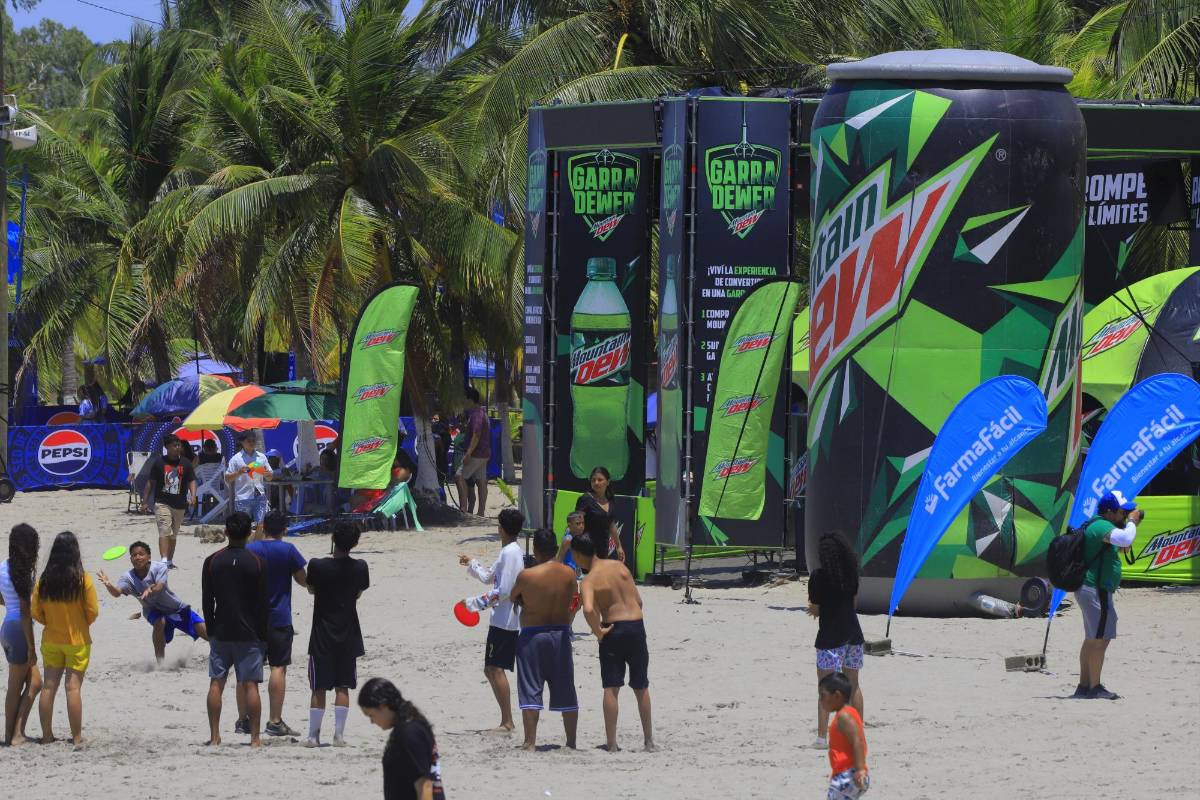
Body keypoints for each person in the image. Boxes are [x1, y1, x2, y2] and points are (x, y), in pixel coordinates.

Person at [571, 528, 655, 752]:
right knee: (641, 686)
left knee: (611, 688)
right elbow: (639, 600)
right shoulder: (620, 567)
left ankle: (612, 743)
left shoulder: (588, 580)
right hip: (636, 626)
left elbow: (588, 609)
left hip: (613, 629)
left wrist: (597, 631)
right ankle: (648, 741)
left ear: (579, 555)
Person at [201, 512, 269, 747]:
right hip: (249, 632)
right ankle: (255, 738)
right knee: (251, 684)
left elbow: (207, 601)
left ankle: (215, 736)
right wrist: (263, 634)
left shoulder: (212, 561)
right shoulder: (257, 562)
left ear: (227, 533)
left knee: (216, 683)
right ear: (249, 532)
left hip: (221, 629)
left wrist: (210, 630)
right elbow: (263, 604)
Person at [509, 529, 579, 751]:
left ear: (536, 550)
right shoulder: (568, 574)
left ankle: (530, 742)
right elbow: (573, 599)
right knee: (566, 688)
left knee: (530, 688)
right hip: (560, 633)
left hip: (533, 635)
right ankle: (571, 742)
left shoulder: (527, 576)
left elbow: (513, 596)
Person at [458, 507, 524, 733]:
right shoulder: (509, 551)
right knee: (490, 669)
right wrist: (472, 563)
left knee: (496, 669)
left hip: (505, 620)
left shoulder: (510, 553)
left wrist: (474, 604)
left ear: (501, 528)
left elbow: (503, 590)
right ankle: (506, 720)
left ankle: (507, 721)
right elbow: (490, 577)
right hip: (501, 619)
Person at [305, 522, 370, 748]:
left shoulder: (317, 565)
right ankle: (339, 735)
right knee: (343, 686)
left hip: (322, 633)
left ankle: (313, 736)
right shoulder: (360, 567)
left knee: (318, 686)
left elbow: (310, 588)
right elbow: (359, 593)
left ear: (333, 539)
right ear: (355, 543)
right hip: (348, 632)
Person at [31, 532, 99, 746]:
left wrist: (50, 622)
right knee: (73, 688)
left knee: (49, 686)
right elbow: (93, 611)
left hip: (51, 638)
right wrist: (81, 623)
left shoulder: (44, 581)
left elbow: (35, 611)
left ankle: (46, 735)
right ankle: (77, 737)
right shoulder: (83, 579)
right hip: (77, 640)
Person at [1074, 490, 1142, 700]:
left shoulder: (1099, 525)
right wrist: (1132, 522)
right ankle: (1094, 687)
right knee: (1100, 639)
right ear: (1111, 512)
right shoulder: (1102, 525)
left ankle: (1084, 686)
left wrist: (1127, 525)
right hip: (1096, 590)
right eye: (1123, 511)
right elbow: (1125, 539)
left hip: (1091, 589)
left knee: (1092, 638)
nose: (1125, 515)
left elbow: (1121, 545)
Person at [96, 541, 208, 664]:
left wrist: (150, 589)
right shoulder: (127, 577)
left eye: (141, 554)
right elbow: (117, 593)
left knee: (203, 629)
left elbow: (160, 586)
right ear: (131, 559)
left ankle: (222, 652)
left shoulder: (159, 567)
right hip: (152, 610)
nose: (137, 557)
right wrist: (109, 585)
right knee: (160, 621)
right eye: (134, 555)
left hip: (175, 607)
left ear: (149, 556)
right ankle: (160, 663)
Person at [247, 511, 307, 737]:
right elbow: (302, 579)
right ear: (285, 529)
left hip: (252, 618)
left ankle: (245, 719)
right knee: (278, 667)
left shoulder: (251, 550)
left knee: (250, 671)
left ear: (263, 527)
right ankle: (274, 720)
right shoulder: (288, 550)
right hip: (279, 617)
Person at [807, 531, 865, 748]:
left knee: (826, 688)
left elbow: (816, 609)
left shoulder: (819, 577)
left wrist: (813, 610)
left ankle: (822, 738)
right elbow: (854, 604)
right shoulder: (851, 575)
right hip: (853, 634)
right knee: (854, 685)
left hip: (830, 638)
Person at [358, 678, 445, 800]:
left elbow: (425, 786)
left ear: (383, 706)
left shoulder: (410, 733)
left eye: (371, 715)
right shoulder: (409, 724)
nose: (372, 721)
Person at [1, 523, 41, 745]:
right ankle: (12, 736)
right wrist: (32, 648)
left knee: (35, 682)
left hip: (7, 627)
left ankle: (15, 732)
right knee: (16, 685)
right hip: (19, 630)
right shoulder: (22, 572)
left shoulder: (2, 567)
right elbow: (26, 613)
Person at [143, 434, 197, 568]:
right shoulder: (159, 462)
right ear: (167, 447)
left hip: (180, 504)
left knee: (173, 535)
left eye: (179, 445)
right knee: (164, 530)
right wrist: (144, 501)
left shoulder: (185, 463)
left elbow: (192, 480)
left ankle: (170, 560)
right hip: (162, 502)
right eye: (174, 445)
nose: (177, 447)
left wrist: (193, 495)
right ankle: (163, 560)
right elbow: (150, 482)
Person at [820, 671, 870, 799]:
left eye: (823, 696)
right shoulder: (849, 713)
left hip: (848, 774)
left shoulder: (844, 716)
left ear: (837, 696)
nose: (821, 700)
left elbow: (857, 742)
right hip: (849, 772)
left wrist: (860, 770)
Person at [225, 431, 272, 540]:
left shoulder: (262, 457)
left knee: (262, 524)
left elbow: (270, 476)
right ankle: (245, 548)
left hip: (260, 495)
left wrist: (267, 474)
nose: (252, 443)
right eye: (248, 441)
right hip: (243, 496)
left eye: (253, 440)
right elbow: (227, 478)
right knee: (243, 527)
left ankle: (257, 547)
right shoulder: (236, 459)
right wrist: (239, 472)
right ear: (242, 442)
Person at [453, 387, 491, 516]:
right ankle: (481, 512)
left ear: (470, 399)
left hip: (476, 453)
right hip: (484, 453)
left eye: (464, 398)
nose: (463, 401)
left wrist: (469, 452)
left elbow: (477, 434)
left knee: (459, 476)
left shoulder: (477, 414)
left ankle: (463, 509)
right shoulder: (481, 413)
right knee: (481, 481)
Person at [576, 467, 625, 562]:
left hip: (603, 549)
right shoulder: (586, 499)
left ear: (608, 482)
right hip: (586, 550)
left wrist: (619, 546)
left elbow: (611, 524)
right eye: (593, 480)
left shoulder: (610, 499)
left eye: (600, 480)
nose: (596, 483)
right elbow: (577, 523)